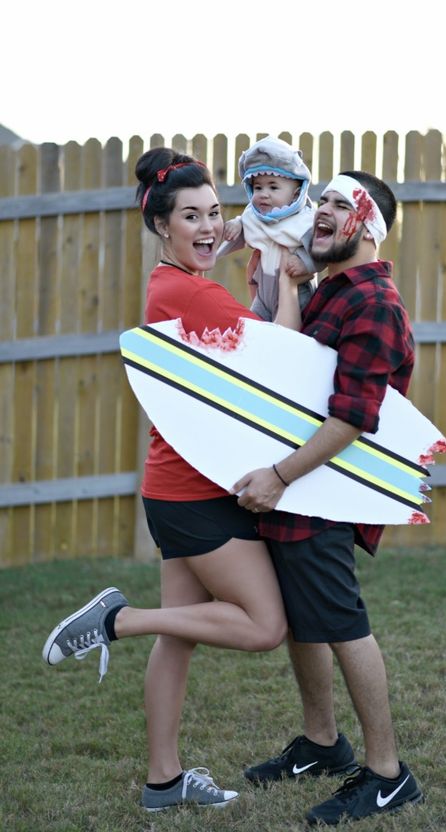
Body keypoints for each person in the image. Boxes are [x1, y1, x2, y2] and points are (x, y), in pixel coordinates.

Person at [42, 147, 287, 814]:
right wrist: (289, 278)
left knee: (182, 631)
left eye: (213, 212)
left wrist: (248, 228)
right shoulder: (191, 291)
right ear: (160, 224)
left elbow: (227, 237)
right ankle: (119, 620)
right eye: (190, 217)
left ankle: (162, 780)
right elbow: (277, 359)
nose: (208, 227)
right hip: (194, 495)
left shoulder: (168, 281)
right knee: (264, 626)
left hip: (179, 486)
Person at [231, 171, 424, 825]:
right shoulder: (327, 293)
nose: (323, 211)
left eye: (342, 204)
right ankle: (322, 743)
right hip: (296, 489)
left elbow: (351, 418)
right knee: (305, 615)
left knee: (342, 623)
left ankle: (389, 774)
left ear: (368, 227)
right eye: (323, 199)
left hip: (324, 493)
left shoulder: (373, 302)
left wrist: (280, 476)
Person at [218, 135, 320, 321]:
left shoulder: (304, 221)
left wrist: (305, 262)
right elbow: (247, 221)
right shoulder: (255, 215)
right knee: (255, 327)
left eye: (273, 188)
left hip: (297, 292)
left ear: (296, 193)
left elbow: (321, 250)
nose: (264, 194)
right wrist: (237, 225)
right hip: (263, 293)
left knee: (294, 336)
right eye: (258, 188)